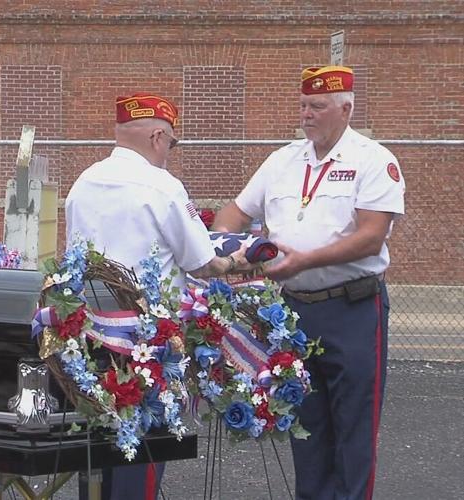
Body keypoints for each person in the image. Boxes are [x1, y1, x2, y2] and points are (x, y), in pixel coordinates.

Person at [213, 66, 405, 499]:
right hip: (294, 311)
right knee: (305, 426)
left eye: (317, 106)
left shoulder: (373, 160)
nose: (306, 114)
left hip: (352, 309)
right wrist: (228, 247)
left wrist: (303, 261)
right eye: (303, 105)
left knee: (354, 427)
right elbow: (234, 213)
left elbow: (371, 237)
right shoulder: (282, 160)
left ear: (345, 109)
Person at [65, 92, 252, 500]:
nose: (170, 151)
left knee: (96, 455)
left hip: (92, 338)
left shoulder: (84, 182)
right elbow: (202, 263)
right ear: (157, 137)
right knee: (143, 458)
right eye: (172, 142)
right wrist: (235, 260)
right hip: (149, 346)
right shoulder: (163, 186)